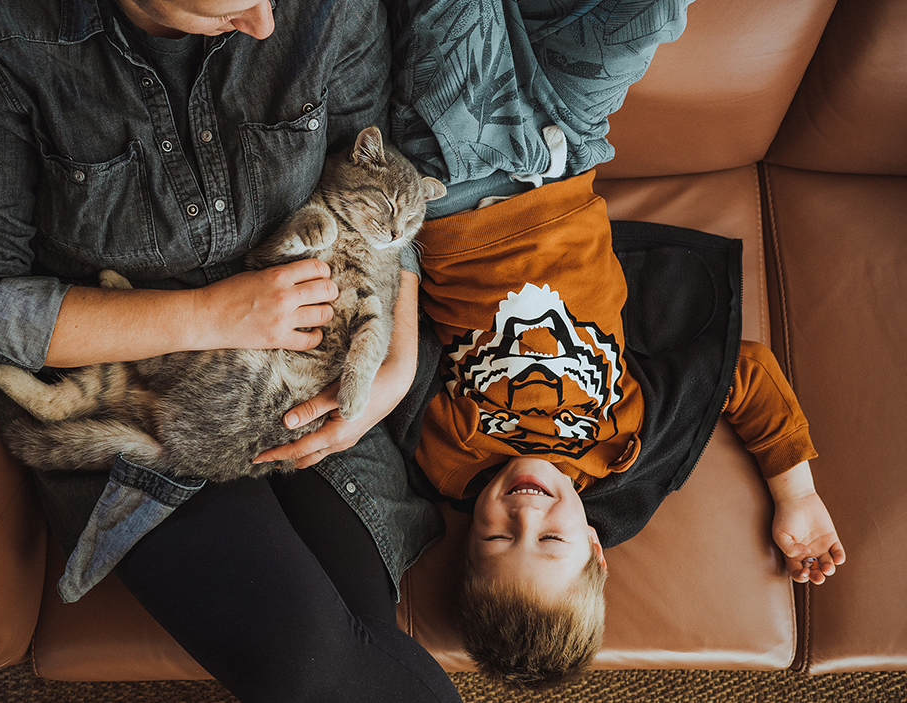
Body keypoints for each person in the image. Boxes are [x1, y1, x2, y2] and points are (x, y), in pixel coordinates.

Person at [0, 0, 462, 701]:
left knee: (362, 639)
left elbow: (385, 188)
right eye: (230, 8)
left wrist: (396, 365)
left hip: (318, 370)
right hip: (148, 391)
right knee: (309, 665)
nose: (266, 25)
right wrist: (213, 314)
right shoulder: (1, 30)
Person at [353, 0, 845, 691]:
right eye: (550, 539)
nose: (525, 512)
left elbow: (382, 351)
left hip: (460, 173)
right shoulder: (623, 440)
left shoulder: (444, 456)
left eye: (497, 538)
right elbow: (741, 372)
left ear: (467, 542)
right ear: (595, 546)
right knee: (652, 13)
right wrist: (796, 492)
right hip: (571, 150)